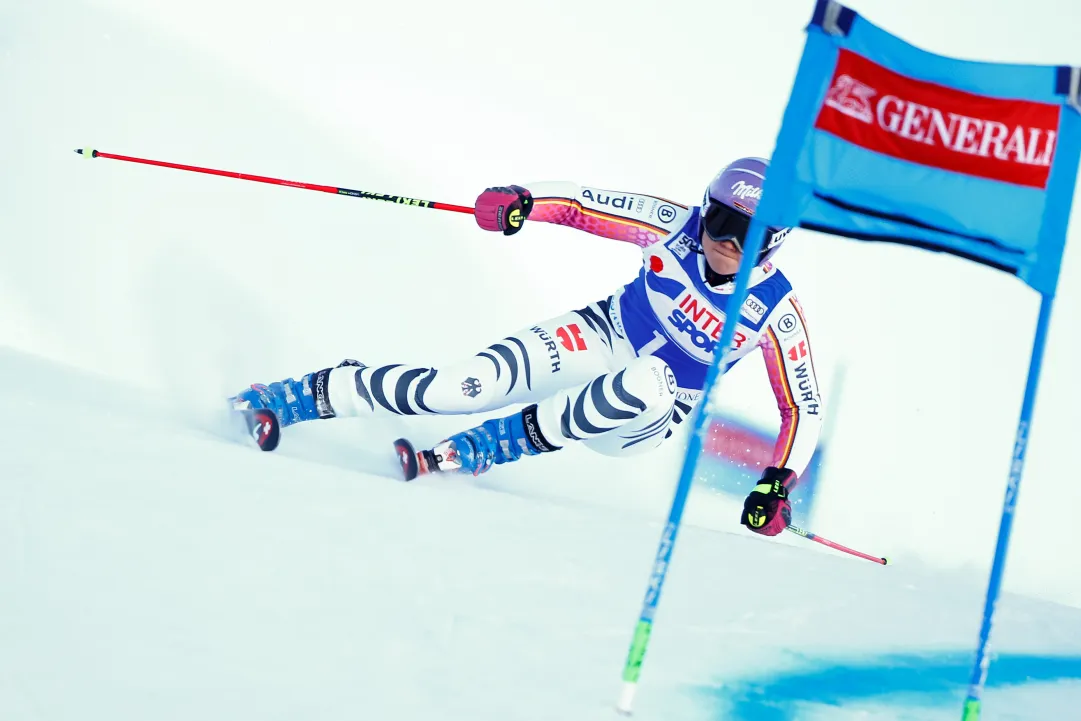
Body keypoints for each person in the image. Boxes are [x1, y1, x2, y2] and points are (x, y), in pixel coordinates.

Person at [232, 157, 824, 537]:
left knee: (644, 379)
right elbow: (581, 204)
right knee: (457, 387)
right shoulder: (674, 225)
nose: (723, 241)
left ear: (775, 242)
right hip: (603, 332)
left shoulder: (776, 311)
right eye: (718, 219)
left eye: (745, 234)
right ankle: (293, 396)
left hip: (652, 412)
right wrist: (520, 200)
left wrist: (779, 480)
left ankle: (486, 448)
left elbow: (803, 408)